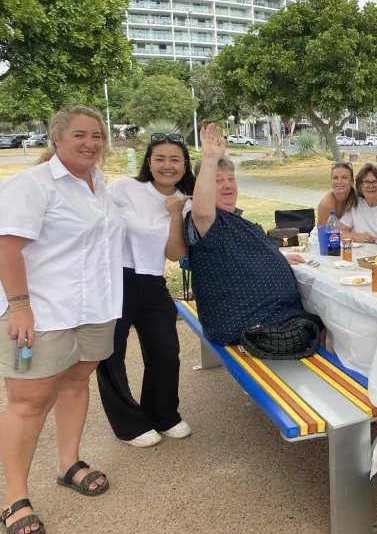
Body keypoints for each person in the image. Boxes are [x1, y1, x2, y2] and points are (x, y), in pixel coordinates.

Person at [0, 107, 126, 534]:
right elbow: (7, 249)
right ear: (56, 138)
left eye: (97, 135)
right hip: (43, 314)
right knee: (28, 401)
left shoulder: (102, 186)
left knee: (76, 382)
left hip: (93, 311)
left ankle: (68, 463)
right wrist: (19, 307)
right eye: (79, 135)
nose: (91, 143)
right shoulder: (32, 185)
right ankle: (15, 497)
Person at [96, 133, 195, 449]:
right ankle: (128, 424)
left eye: (175, 159)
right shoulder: (125, 188)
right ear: (149, 162)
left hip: (153, 282)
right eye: (160, 158)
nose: (167, 165)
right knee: (112, 354)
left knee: (165, 351)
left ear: (184, 165)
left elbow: (176, 254)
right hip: (116, 278)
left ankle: (163, 414)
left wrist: (176, 214)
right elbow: (97, 220)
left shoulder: (184, 200)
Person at [186, 123, 323, 346]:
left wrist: (276, 259)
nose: (228, 185)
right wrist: (210, 159)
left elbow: (239, 256)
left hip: (267, 316)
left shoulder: (234, 219)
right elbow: (201, 213)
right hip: (249, 326)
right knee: (324, 323)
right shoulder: (209, 221)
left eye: (231, 179)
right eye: (218, 181)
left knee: (320, 319)